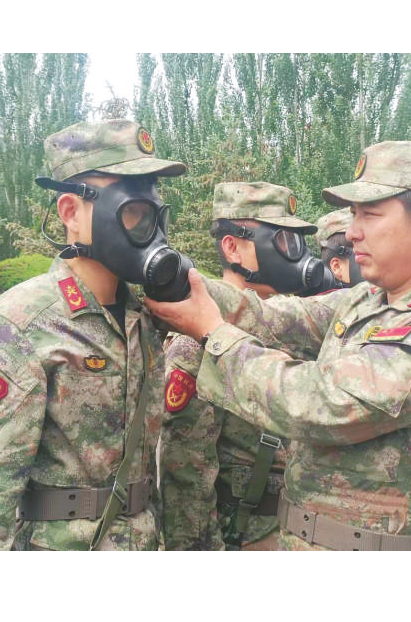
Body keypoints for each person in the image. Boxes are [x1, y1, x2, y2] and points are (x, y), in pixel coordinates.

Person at [146, 141, 411, 551]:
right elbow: (272, 317)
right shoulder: (370, 299)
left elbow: (319, 404)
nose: (353, 232)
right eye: (354, 214)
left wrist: (214, 334)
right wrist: (176, 279)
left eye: (370, 214)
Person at [0, 119, 187, 550]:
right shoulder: (21, 324)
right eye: (134, 212)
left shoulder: (145, 320)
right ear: (70, 212)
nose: (150, 233)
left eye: (156, 216)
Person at [160, 181, 321, 551]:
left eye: (295, 241)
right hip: (246, 536)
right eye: (280, 240)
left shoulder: (299, 327)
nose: (291, 253)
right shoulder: (197, 338)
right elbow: (186, 472)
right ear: (232, 247)